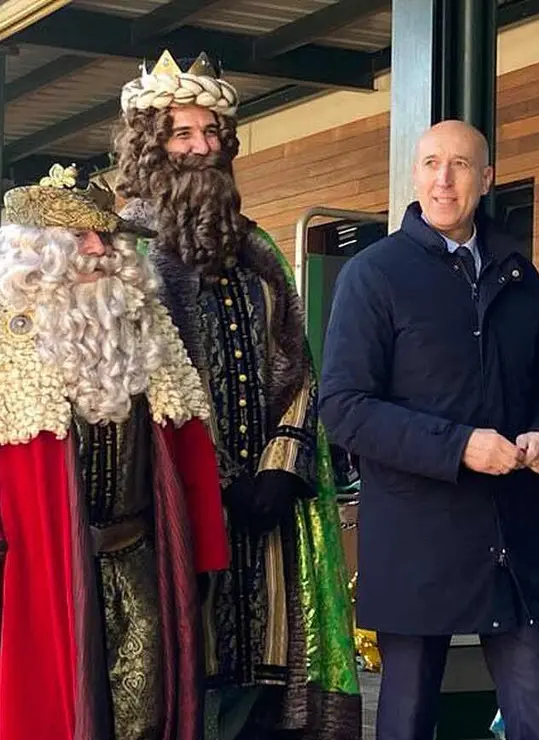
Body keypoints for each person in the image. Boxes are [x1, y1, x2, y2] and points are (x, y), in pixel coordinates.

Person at [0, 165, 230, 740]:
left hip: (138, 565)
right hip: (32, 577)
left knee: (143, 722)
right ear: (38, 249)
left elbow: (188, 444)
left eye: (108, 237)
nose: (101, 250)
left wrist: (199, 556)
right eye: (83, 237)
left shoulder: (146, 327)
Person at [112, 50, 360, 740]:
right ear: (149, 143)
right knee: (178, 677)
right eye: (182, 134)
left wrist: (281, 468)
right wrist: (188, 481)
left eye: (212, 134)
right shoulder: (119, 249)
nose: (201, 147)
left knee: (266, 686)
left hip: (265, 510)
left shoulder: (256, 249)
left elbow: (299, 365)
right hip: (170, 507)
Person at [319, 119, 539, 740]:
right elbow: (344, 406)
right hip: (416, 534)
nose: (444, 178)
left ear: (486, 178)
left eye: (460, 165)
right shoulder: (373, 275)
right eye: (431, 162)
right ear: (414, 173)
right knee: (407, 719)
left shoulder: (519, 273)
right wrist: (459, 447)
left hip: (510, 532)